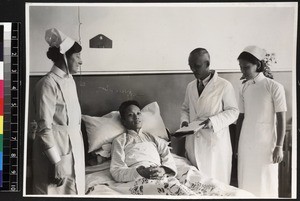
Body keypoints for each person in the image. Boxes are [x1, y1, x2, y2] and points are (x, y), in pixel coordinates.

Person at [32, 28, 85, 195]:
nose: (80, 61)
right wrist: (56, 161)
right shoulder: (47, 84)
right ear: (64, 57)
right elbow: (44, 128)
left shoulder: (70, 80)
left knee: (74, 190)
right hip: (55, 152)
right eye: (77, 56)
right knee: (54, 191)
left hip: (73, 146)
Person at [180, 48, 239, 184]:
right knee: (195, 183)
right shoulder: (190, 86)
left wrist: (212, 121)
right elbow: (185, 108)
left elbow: (233, 112)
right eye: (191, 66)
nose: (193, 70)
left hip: (214, 144)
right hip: (193, 142)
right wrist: (184, 122)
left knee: (215, 184)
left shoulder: (224, 85)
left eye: (197, 66)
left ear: (207, 64)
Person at [235, 45, 287, 197]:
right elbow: (241, 117)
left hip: (266, 143)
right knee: (246, 180)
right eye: (241, 67)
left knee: (265, 181)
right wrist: (237, 145)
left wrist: (279, 146)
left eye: (246, 67)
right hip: (246, 142)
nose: (243, 71)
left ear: (257, 65)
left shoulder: (274, 87)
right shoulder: (243, 88)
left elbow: (281, 117)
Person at [110, 100, 177, 182]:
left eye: (138, 113)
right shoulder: (120, 141)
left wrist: (163, 170)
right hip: (136, 176)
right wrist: (140, 172)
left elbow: (167, 157)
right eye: (130, 115)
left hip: (158, 173)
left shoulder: (153, 138)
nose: (136, 117)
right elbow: (116, 170)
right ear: (124, 121)